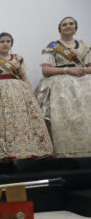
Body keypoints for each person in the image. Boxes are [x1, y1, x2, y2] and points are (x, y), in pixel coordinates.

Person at [0, 32, 53, 161]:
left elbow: (24, 77)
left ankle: (23, 149)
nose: (5, 44)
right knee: (1, 121)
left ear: (11, 43)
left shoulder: (17, 58)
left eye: (8, 41)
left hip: (18, 93)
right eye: (2, 41)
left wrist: (30, 94)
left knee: (20, 122)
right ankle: (3, 151)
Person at [35, 16, 91, 158]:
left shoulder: (85, 46)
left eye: (71, 23)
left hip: (83, 82)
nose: (68, 26)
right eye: (64, 24)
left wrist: (84, 70)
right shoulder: (52, 46)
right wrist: (67, 70)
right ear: (60, 28)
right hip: (59, 84)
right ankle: (62, 151)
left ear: (75, 28)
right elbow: (46, 70)